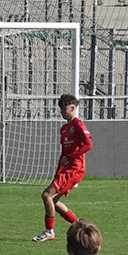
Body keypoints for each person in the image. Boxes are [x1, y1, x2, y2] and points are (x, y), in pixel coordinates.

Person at [32, 93, 93, 242]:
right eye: (61, 109)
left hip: (75, 169)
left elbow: (88, 145)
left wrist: (71, 157)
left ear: (73, 108)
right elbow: (64, 154)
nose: (62, 112)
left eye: (64, 109)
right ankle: (80, 226)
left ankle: (49, 231)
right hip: (66, 169)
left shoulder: (79, 125)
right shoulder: (64, 128)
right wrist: (59, 170)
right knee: (53, 201)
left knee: (46, 195)